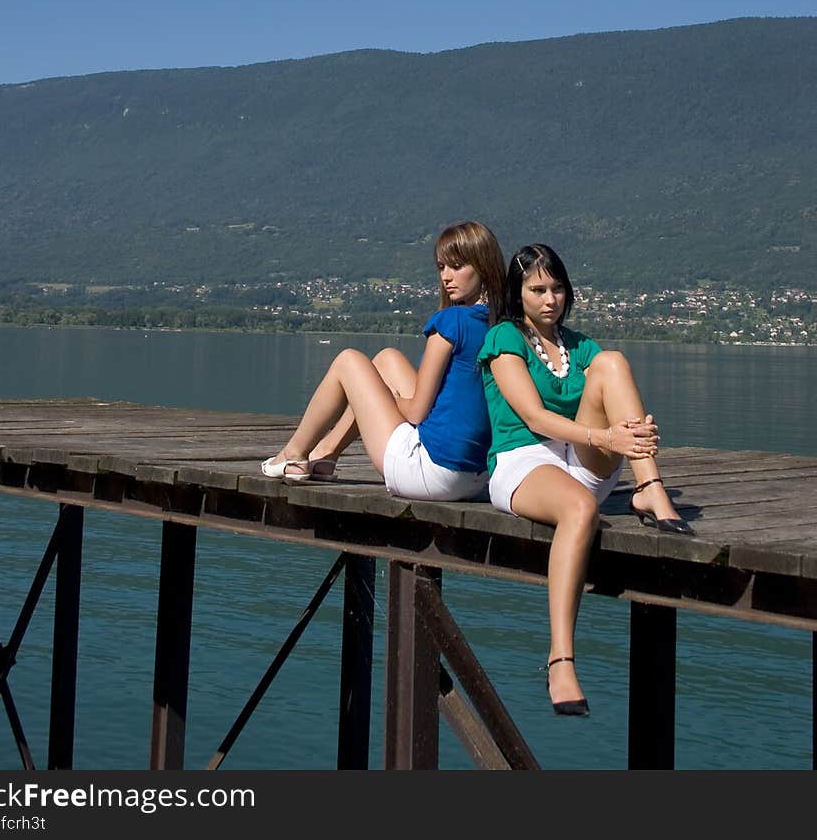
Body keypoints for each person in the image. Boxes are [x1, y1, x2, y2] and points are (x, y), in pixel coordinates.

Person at [478, 242, 692, 718]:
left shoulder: (580, 347)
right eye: (537, 289)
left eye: (557, 288)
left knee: (613, 363)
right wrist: (608, 436)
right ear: (518, 294)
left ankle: (648, 488)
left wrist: (631, 435)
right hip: (523, 461)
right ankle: (561, 659)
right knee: (580, 509)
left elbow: (603, 413)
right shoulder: (504, 340)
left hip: (579, 458)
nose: (550, 298)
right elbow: (533, 417)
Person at [261, 220, 506, 500]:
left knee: (348, 361)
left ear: (483, 266)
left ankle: (293, 454)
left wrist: (387, 398)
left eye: (457, 266)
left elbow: (415, 413)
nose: (446, 277)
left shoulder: (451, 322)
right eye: (441, 267)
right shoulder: (503, 326)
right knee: (387, 359)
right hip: (478, 477)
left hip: (433, 473)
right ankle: (326, 454)